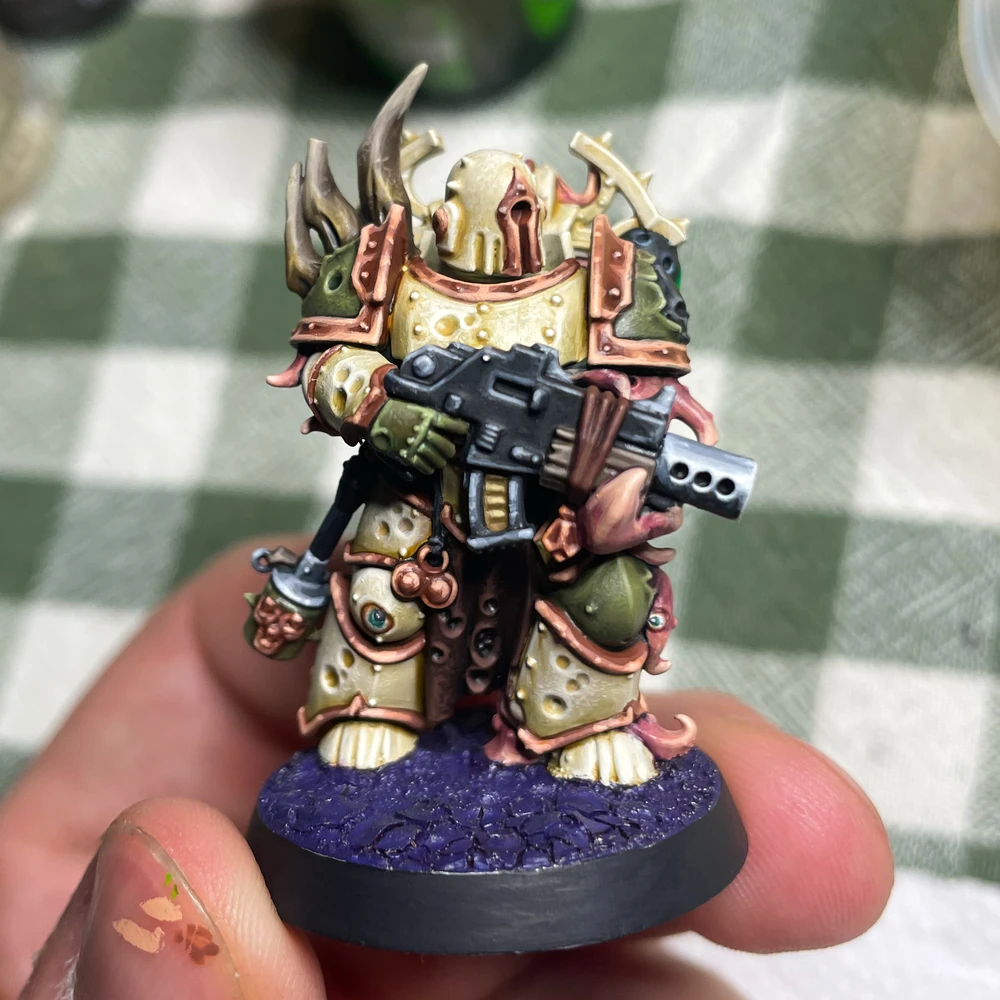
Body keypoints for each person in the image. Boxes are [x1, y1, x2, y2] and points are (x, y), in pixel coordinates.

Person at [0, 538, 894, 999]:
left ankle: (577, 718)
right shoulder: (393, 272)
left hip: (562, 502)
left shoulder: (601, 282)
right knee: (379, 585)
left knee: (604, 588)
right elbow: (342, 356)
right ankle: (374, 704)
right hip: (416, 502)